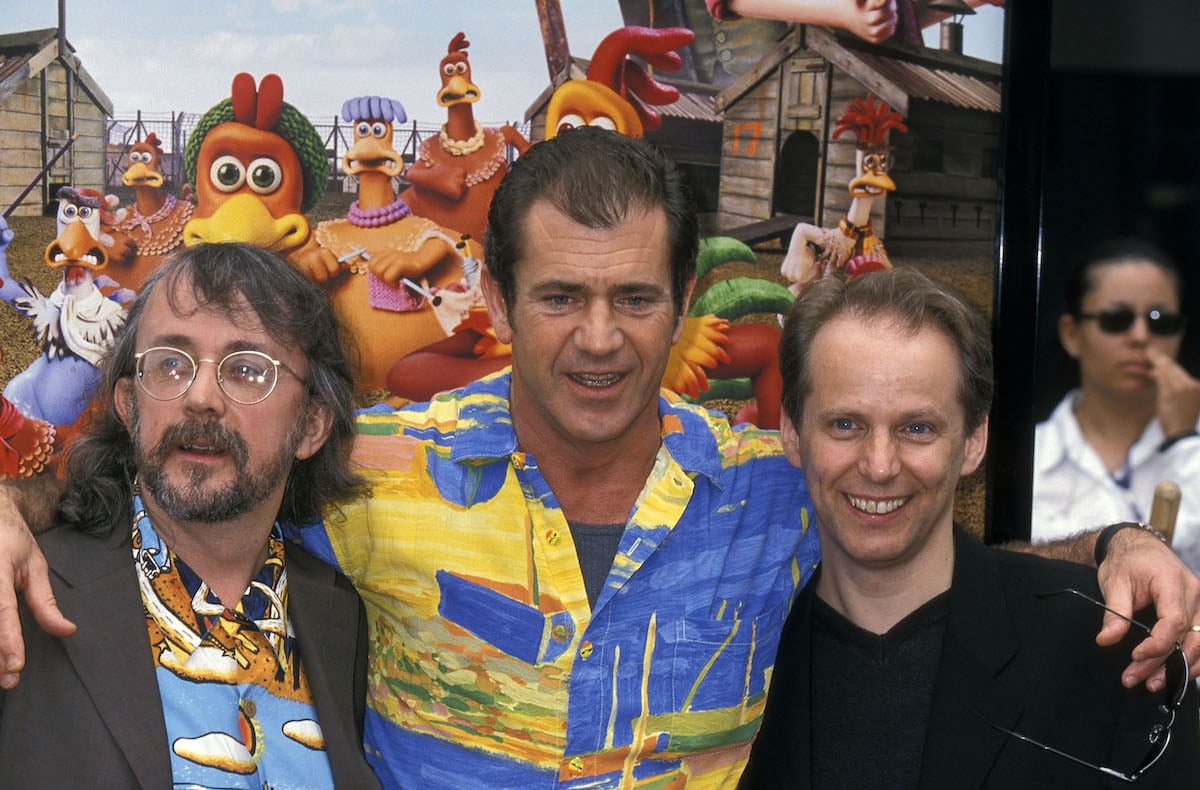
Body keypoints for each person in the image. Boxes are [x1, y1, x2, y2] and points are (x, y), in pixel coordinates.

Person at [1, 129, 1199, 788]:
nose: (598, 337)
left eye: (634, 297)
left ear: (682, 301)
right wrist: (10, 502)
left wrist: (1115, 543)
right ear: (495, 292)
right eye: (561, 295)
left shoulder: (774, 489)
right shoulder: (379, 469)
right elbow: (189, 470)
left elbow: (926, 552)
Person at [742, 267, 1200, 788]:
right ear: (792, 433)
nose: (880, 464)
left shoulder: (1114, 654)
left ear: (974, 441)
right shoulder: (737, 650)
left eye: (918, 428)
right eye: (845, 424)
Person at [0, 243, 380, 788]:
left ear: (313, 425)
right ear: (130, 405)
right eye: (171, 364)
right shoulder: (23, 593)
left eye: (247, 370)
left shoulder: (342, 615)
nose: (201, 396)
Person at [1033, 239, 1200, 575]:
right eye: (1116, 319)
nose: (1140, 336)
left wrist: (1185, 442)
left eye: (1160, 320)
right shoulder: (1031, 455)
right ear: (1071, 334)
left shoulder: (1192, 445)